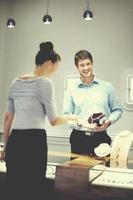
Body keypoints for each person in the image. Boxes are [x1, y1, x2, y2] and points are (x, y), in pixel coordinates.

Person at [0, 41, 79, 200]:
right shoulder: (45, 83)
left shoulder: (16, 82)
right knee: (34, 189)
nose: (55, 72)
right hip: (34, 141)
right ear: (49, 63)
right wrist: (72, 117)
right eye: (56, 67)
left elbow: (8, 117)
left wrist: (5, 147)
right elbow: (54, 120)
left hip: (15, 141)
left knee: (14, 188)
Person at [63, 50, 123, 156]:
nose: (86, 68)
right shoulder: (71, 89)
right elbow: (66, 116)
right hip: (78, 139)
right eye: (82, 65)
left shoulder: (107, 87)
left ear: (92, 64)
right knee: (79, 172)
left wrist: (109, 121)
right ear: (77, 67)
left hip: (101, 138)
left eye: (88, 64)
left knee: (102, 171)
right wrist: (81, 122)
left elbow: (117, 110)